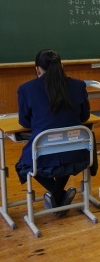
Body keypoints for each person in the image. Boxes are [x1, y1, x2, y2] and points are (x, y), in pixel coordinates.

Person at [15, 49, 92, 217]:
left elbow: (24, 122)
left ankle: (57, 194)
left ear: (37, 69)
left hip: (44, 156)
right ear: (61, 66)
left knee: (25, 164)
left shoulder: (26, 89)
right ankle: (60, 195)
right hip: (77, 153)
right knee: (64, 157)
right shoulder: (78, 85)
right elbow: (84, 116)